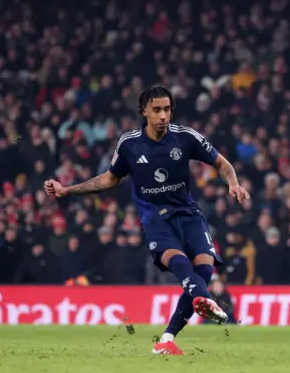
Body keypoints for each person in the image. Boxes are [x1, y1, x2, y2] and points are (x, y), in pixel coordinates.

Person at [44, 85, 250, 356]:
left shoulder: (185, 137)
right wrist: (67, 190)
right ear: (144, 112)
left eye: (167, 109)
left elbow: (223, 164)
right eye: (156, 110)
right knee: (179, 262)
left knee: (205, 269)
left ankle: (166, 339)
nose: (163, 115)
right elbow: (109, 178)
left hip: (188, 214)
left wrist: (233, 184)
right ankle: (204, 298)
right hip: (156, 218)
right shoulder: (129, 143)